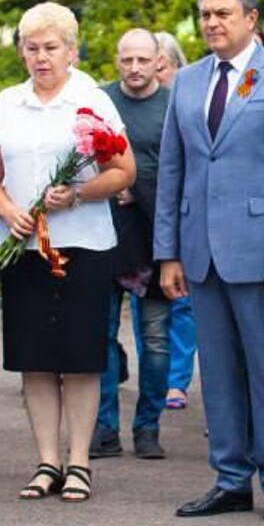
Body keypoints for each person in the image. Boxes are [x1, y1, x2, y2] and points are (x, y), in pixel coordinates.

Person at [157, 0, 264, 525]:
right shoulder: (187, 81)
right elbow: (173, 173)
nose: (212, 23)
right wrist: (168, 253)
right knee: (219, 372)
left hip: (262, 251)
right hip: (200, 251)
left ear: (252, 19)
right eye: (205, 14)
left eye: (224, 14)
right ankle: (230, 479)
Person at [0, 3, 135, 503]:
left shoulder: (92, 102)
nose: (41, 58)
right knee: (36, 359)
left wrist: (78, 193)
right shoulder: (7, 103)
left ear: (71, 50)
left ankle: (80, 462)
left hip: (82, 244)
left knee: (81, 357)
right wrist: (6, 209)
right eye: (32, 48)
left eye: (51, 48)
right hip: (24, 247)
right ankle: (47, 460)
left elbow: (123, 171)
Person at [95, 28, 174, 460]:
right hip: (105, 236)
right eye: (127, 60)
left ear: (158, 59)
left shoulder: (174, 106)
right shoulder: (100, 101)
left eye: (143, 59)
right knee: (101, 332)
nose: (135, 68)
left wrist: (131, 182)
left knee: (156, 337)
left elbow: (183, 175)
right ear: (117, 60)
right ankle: (105, 428)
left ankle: (148, 426)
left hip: (156, 238)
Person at [150, 30, 201, 411]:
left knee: (183, 305)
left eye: (161, 66)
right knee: (148, 306)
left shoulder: (192, 99)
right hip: (144, 215)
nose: (153, 72)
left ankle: (177, 379)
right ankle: (156, 375)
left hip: (189, 214)